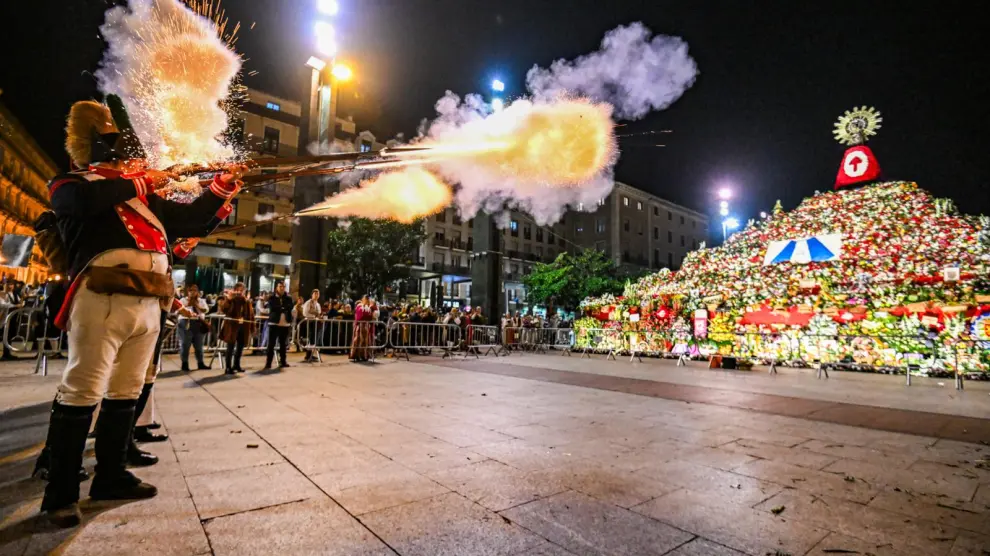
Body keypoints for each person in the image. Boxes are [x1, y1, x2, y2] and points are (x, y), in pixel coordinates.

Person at [36, 97, 243, 527]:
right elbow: (77, 207)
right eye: (131, 156)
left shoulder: (145, 193)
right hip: (101, 299)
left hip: (151, 301)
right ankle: (59, 494)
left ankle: (110, 476)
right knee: (81, 390)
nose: (138, 161)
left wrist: (222, 185)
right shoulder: (73, 183)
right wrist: (143, 182)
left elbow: (191, 222)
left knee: (125, 392)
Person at [220, 283, 254, 373]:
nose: (239, 292)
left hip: (243, 326)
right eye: (238, 290)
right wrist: (229, 299)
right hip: (232, 327)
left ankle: (236, 365)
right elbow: (224, 309)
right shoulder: (231, 299)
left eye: (241, 290)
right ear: (235, 290)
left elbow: (251, 314)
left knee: (240, 347)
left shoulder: (246, 301)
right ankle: (228, 367)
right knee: (230, 347)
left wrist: (252, 327)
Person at [176, 284, 209, 371]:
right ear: (188, 291)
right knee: (185, 344)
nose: (193, 292)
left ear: (197, 292)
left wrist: (197, 305)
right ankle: (185, 364)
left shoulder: (201, 301)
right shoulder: (183, 300)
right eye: (191, 290)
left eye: (195, 290)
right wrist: (187, 306)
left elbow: (206, 310)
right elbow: (177, 311)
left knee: (199, 345)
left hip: (198, 323)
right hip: (185, 322)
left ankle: (200, 363)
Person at [264, 281, 293, 369]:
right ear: (277, 287)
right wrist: (283, 308)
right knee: (271, 344)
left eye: (283, 286)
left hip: (285, 324)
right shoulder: (272, 297)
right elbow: (272, 307)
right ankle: (268, 363)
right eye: (280, 286)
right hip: (274, 323)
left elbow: (290, 307)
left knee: (283, 344)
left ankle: (283, 361)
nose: (282, 288)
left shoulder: (288, 298)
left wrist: (281, 308)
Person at [350, 296, 374, 362]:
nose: (367, 301)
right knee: (358, 341)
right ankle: (356, 355)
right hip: (359, 326)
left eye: (368, 300)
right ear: (363, 299)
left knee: (365, 342)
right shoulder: (359, 306)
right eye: (366, 299)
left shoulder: (368, 307)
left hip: (366, 327)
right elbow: (360, 316)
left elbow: (370, 317)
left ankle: (364, 355)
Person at [301, 289, 323, 362]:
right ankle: (308, 355)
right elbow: (305, 313)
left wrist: (319, 317)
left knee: (314, 338)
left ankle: (310, 354)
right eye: (315, 294)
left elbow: (319, 313)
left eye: (318, 294)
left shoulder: (318, 304)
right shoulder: (308, 303)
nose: (316, 295)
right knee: (311, 338)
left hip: (316, 323)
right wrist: (314, 316)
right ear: (312, 295)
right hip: (310, 322)